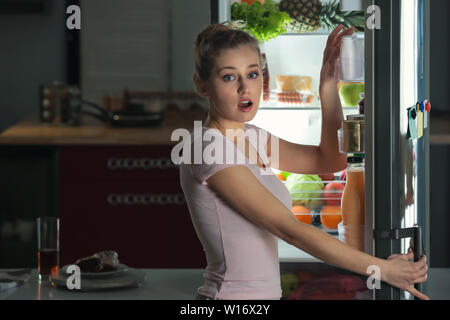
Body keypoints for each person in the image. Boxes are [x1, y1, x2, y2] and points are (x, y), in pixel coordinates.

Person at [177, 23, 428, 300]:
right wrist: (380, 269)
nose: (244, 88)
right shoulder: (205, 146)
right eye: (228, 77)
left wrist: (328, 84)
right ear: (203, 86)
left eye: (252, 74)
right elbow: (290, 230)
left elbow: (330, 160)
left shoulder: (253, 137)